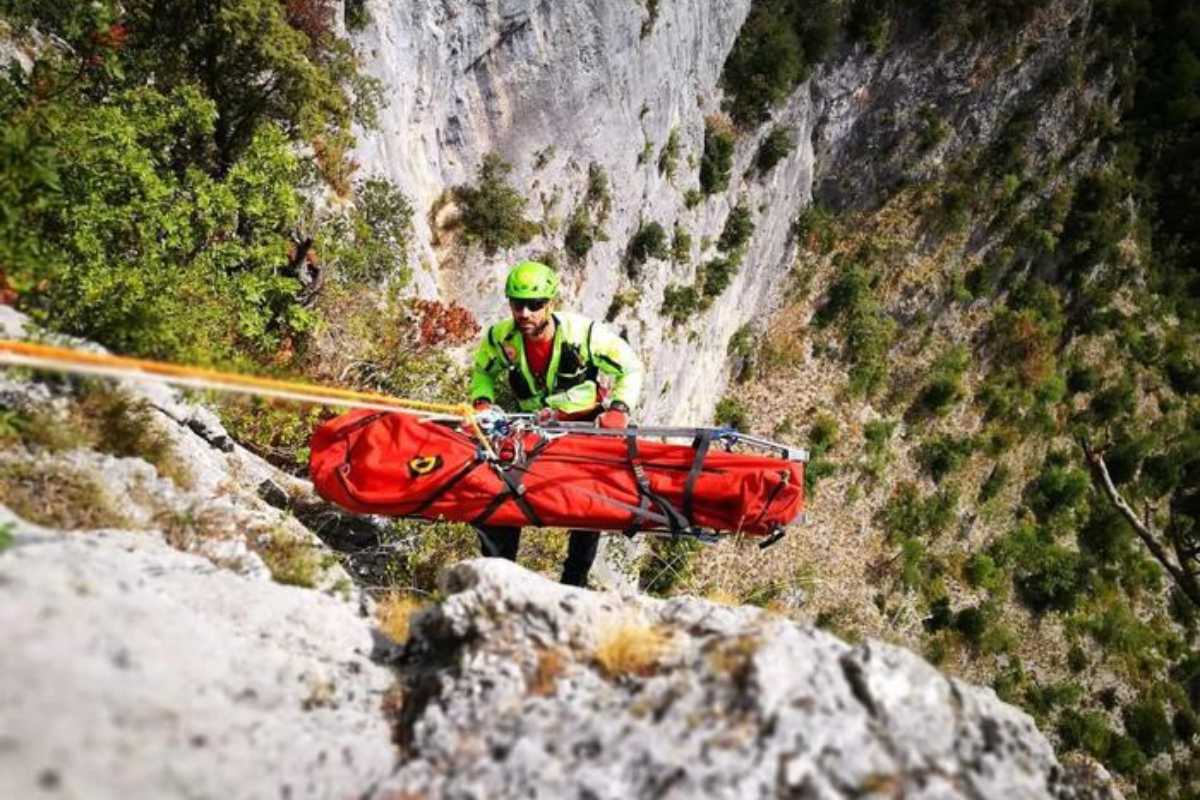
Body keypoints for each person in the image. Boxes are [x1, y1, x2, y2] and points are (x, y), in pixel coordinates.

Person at [469, 260, 644, 587]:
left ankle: (574, 584)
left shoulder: (583, 334)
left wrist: (619, 409)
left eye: (534, 305)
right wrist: (482, 402)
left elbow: (630, 367)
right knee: (504, 489)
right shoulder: (501, 338)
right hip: (533, 429)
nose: (524, 313)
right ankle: (498, 579)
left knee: (591, 504)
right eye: (517, 304)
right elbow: (482, 371)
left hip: (583, 427)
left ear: (550, 303)